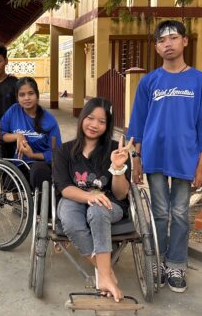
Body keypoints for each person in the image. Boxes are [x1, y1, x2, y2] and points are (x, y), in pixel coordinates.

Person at [127, 20, 202, 293]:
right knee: (159, 211)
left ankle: (176, 263)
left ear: (185, 41)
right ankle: (156, 259)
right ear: (156, 47)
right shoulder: (149, 82)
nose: (168, 43)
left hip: (185, 156)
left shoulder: (200, 81)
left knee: (179, 213)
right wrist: (136, 157)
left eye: (173, 38)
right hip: (154, 155)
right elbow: (138, 122)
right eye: (162, 40)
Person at [53, 97, 132, 302]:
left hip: (110, 205)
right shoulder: (65, 151)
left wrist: (117, 168)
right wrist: (90, 196)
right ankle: (106, 274)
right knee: (69, 219)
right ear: (82, 118)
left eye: (102, 121)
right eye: (90, 118)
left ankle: (104, 275)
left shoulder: (117, 151)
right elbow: (65, 188)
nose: (94, 125)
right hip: (75, 199)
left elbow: (122, 194)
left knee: (97, 210)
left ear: (108, 126)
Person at [0, 77, 62, 194]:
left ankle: (41, 209)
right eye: (22, 95)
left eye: (30, 93)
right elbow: (0, 134)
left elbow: (56, 153)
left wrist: (32, 154)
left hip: (42, 164)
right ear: (17, 98)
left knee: (38, 172)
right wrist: (17, 136)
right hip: (20, 163)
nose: (26, 98)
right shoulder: (14, 111)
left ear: (37, 95)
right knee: (9, 180)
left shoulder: (49, 120)